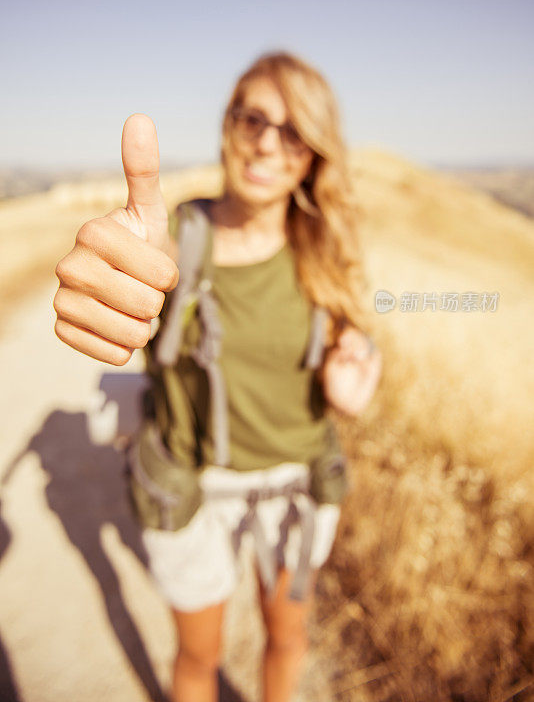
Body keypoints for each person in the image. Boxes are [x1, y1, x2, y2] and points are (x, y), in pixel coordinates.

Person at [54, 51, 382, 702]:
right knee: (199, 657)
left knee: (287, 638)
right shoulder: (180, 237)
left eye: (292, 132)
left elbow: (351, 332)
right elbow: (145, 267)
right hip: (193, 488)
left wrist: (358, 364)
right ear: (226, 126)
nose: (266, 142)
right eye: (252, 118)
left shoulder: (326, 246)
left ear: (314, 154)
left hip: (295, 488)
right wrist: (112, 281)